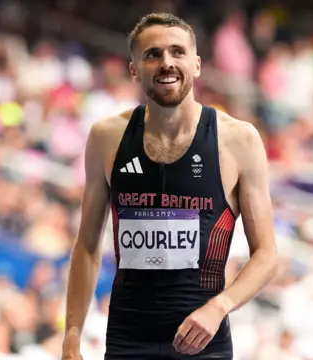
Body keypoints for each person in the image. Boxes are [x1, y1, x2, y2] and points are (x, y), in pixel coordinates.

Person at [61, 12, 278, 360]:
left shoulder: (238, 139)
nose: (166, 63)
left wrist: (220, 306)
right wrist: (72, 335)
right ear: (134, 69)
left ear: (196, 64)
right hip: (127, 340)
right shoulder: (107, 138)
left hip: (203, 342)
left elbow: (267, 254)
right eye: (152, 54)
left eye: (177, 52)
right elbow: (86, 246)